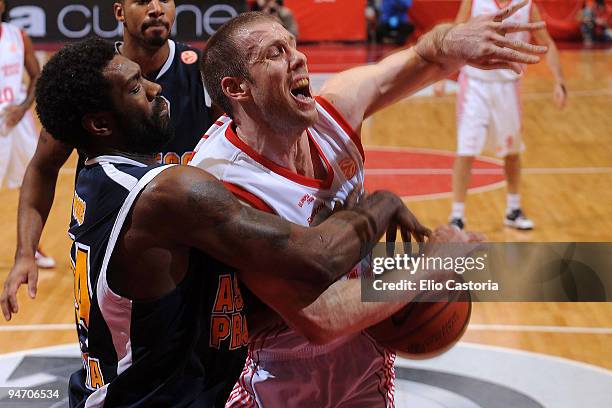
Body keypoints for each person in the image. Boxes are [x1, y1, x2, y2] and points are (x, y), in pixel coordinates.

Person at [21, 37, 444, 407]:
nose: (154, 88)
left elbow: (203, 315)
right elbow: (317, 256)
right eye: (135, 88)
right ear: (99, 124)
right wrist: (388, 212)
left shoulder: (98, 180)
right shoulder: (168, 194)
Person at [190, 6, 545, 407]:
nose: (299, 57)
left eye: (293, 45)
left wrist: (452, 41)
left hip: (365, 356)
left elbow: (424, 57)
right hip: (277, 372)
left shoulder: (333, 115)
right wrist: (431, 264)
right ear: (237, 89)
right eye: (275, 53)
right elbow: (321, 318)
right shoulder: (227, 184)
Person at [2, 0, 214, 310]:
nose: (156, 9)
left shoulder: (200, 70)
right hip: (108, 256)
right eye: (142, 1)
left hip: (190, 251)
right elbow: (42, 168)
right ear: (119, 12)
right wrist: (25, 253)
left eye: (165, 0)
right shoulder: (89, 80)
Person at [441, 0, 567, 231]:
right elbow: (454, 35)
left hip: (509, 86)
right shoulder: (475, 1)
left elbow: (546, 43)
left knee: (512, 152)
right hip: (474, 85)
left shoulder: (527, 5)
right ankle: (456, 216)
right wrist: (441, 73)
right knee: (466, 151)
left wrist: (559, 80)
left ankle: (513, 209)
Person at [0, 0, 55, 268]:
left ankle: (32, 247)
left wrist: (23, 109)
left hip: (17, 121)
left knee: (32, 180)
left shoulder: (17, 36)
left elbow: (36, 76)